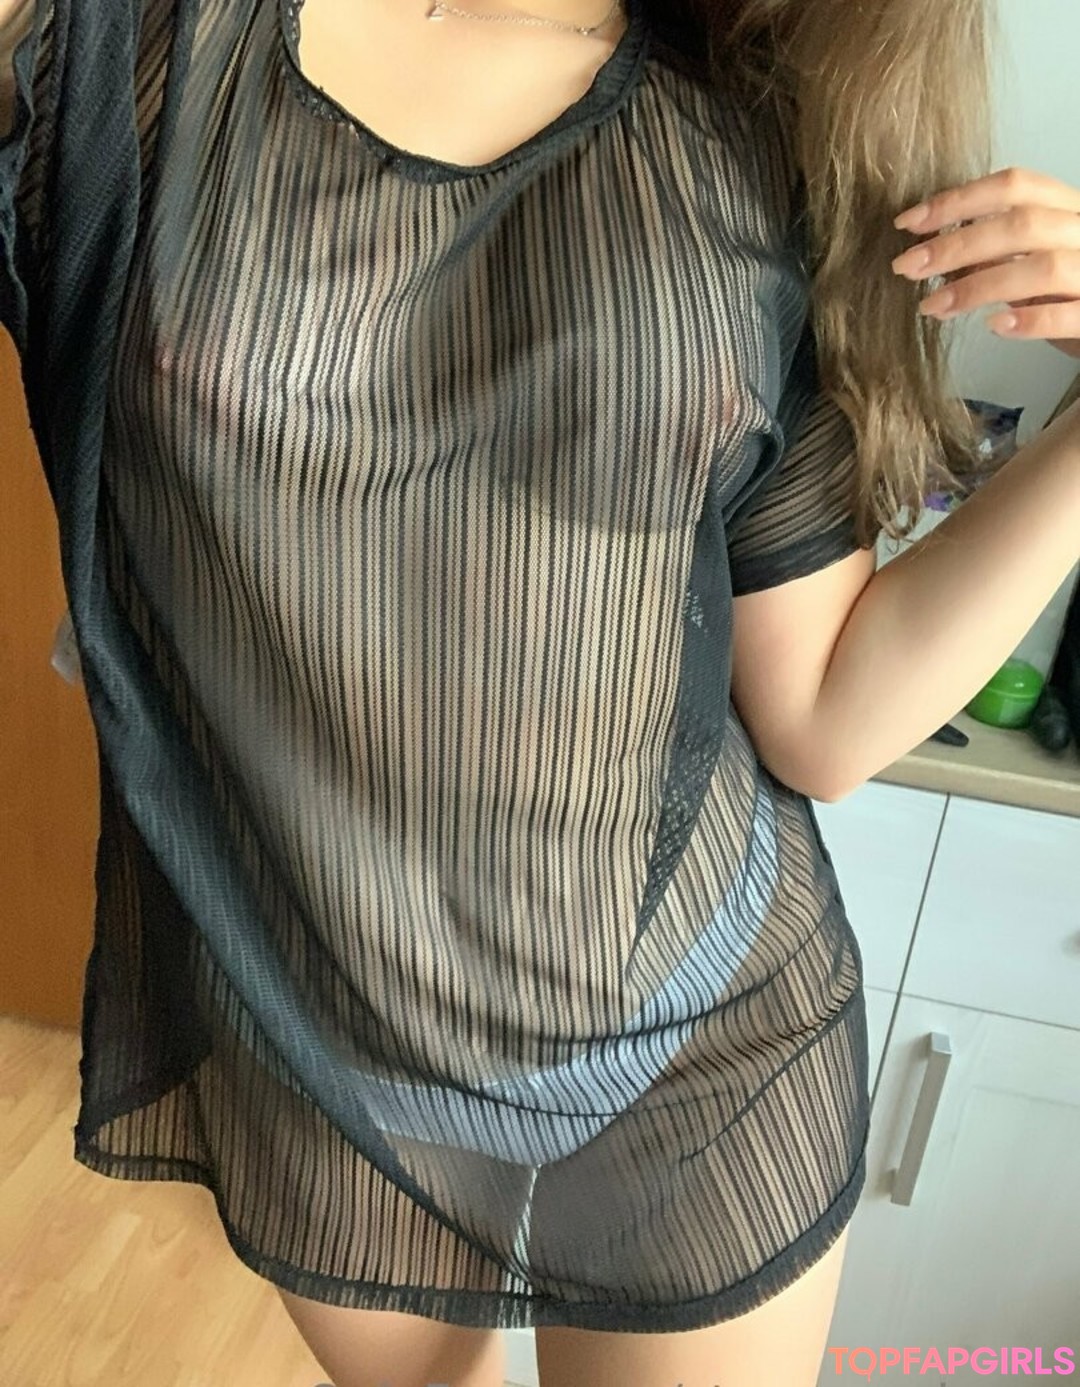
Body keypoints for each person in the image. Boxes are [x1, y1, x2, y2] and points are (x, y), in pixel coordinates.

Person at [1, 0, 1078, 1384]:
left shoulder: (767, 126)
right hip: (323, 1050)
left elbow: (825, 716)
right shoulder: (105, 42)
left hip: (695, 1043)